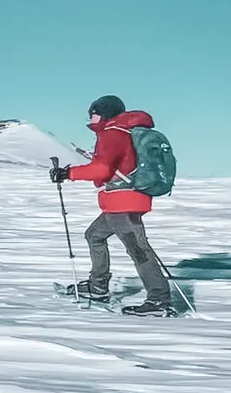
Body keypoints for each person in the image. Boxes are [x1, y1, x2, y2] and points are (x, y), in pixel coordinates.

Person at [51, 95, 173, 316]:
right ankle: (97, 286)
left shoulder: (113, 133)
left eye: (93, 112)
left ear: (104, 113)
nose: (90, 117)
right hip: (119, 202)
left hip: (124, 202)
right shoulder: (118, 132)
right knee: (94, 235)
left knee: (138, 250)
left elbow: (102, 169)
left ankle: (159, 300)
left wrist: (68, 173)